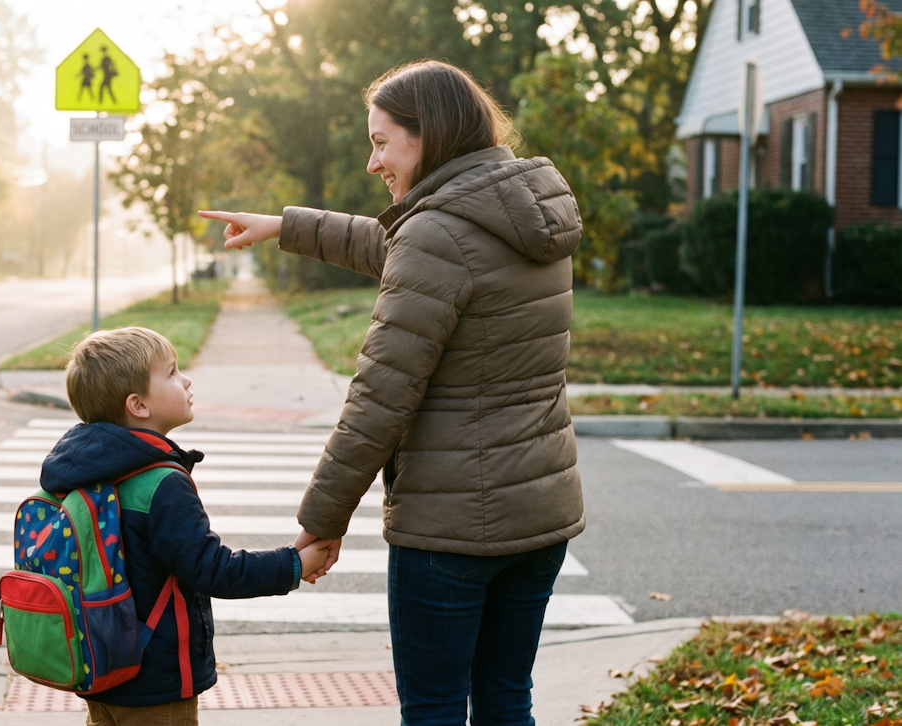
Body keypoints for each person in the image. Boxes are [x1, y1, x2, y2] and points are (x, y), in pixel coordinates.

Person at [199, 60, 585, 726]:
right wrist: (285, 225)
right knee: (506, 701)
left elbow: (378, 401)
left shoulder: (441, 234)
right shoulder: (522, 211)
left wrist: (322, 519)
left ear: (428, 134)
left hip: (450, 532)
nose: (374, 160)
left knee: (433, 711)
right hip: (539, 516)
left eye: (382, 141)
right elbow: (399, 246)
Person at [42, 326, 331, 726]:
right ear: (138, 405)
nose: (187, 379)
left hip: (100, 663)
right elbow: (214, 570)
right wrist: (293, 564)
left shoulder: (85, 472)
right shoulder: (161, 483)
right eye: (173, 372)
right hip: (155, 680)